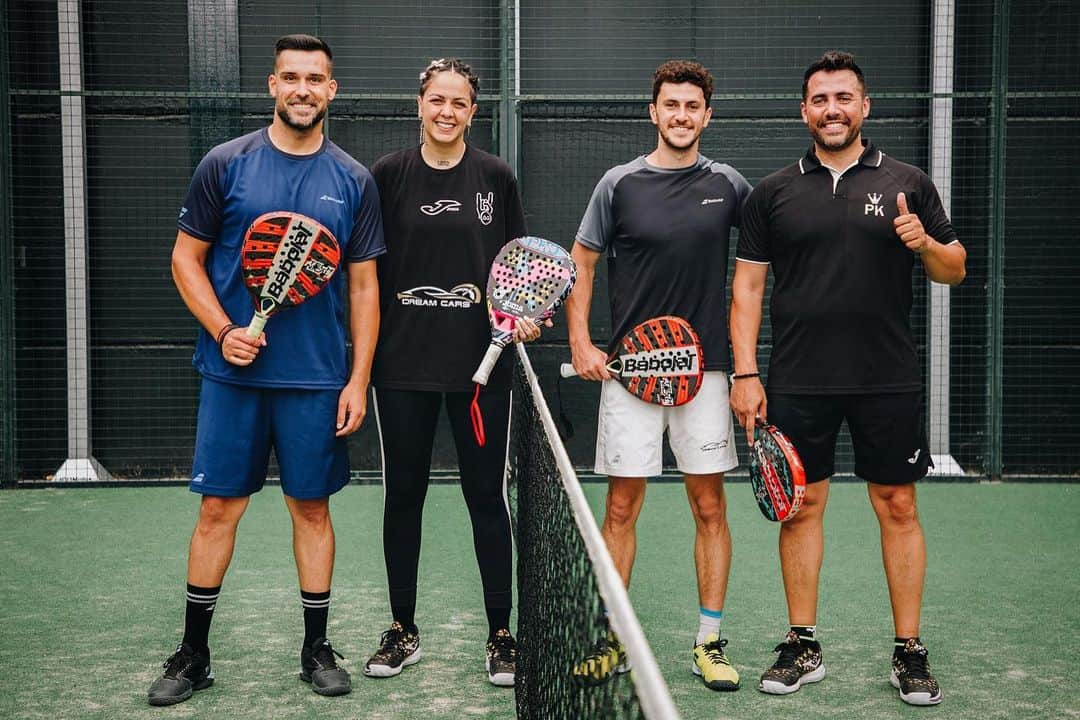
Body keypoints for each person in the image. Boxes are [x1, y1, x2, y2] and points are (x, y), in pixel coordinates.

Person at [147, 34, 384, 705]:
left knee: (310, 507)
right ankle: (193, 653)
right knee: (219, 508)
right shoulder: (226, 164)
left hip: (315, 380)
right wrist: (223, 330)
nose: (303, 89)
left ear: (332, 90)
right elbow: (184, 259)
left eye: (316, 78)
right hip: (234, 378)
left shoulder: (353, 179)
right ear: (271, 85)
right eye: (291, 77)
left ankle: (317, 648)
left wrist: (357, 378)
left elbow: (363, 287)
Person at [729, 50, 966, 707]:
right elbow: (747, 289)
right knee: (800, 506)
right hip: (798, 378)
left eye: (844, 98)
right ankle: (802, 644)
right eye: (820, 99)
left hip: (886, 376)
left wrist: (924, 243)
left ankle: (908, 651)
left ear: (865, 106)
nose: (832, 109)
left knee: (897, 505)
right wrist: (745, 371)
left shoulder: (908, 182)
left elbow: (955, 270)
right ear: (804, 110)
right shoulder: (771, 193)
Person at [565, 60, 751, 692]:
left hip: (707, 374)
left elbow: (761, 263)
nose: (680, 115)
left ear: (707, 114)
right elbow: (581, 265)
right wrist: (582, 341)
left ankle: (709, 641)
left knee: (708, 504)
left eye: (692, 106)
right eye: (670, 105)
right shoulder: (617, 184)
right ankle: (614, 639)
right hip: (630, 373)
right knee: (620, 505)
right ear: (654, 111)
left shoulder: (729, 185)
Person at [362, 58, 539, 688]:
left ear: (473, 110)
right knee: (402, 496)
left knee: (486, 498)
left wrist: (522, 318)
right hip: (401, 368)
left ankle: (501, 635)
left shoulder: (496, 176)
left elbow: (516, 268)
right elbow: (366, 272)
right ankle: (403, 629)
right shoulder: (386, 177)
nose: (446, 112)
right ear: (419, 104)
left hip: (480, 374)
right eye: (437, 100)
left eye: (459, 103)